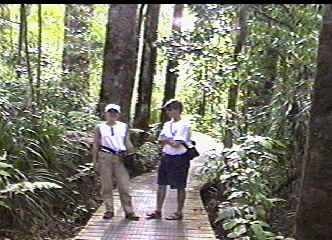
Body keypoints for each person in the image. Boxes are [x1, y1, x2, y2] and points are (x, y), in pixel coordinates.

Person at [146, 99, 193, 220]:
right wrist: (168, 140)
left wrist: (167, 140)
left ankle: (178, 212)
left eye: (170, 109)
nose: (168, 112)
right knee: (161, 184)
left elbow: (176, 143)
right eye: (167, 110)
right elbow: (160, 140)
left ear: (178, 110)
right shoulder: (167, 125)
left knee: (180, 186)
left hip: (180, 159)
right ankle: (158, 211)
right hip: (166, 157)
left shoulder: (185, 125)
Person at [92, 103, 139, 220]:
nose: (112, 115)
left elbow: (126, 141)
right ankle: (109, 210)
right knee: (106, 185)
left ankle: (129, 211)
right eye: (110, 112)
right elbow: (96, 145)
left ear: (118, 114)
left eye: (115, 112)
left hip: (120, 157)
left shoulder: (124, 126)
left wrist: (133, 154)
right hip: (105, 156)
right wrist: (95, 161)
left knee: (124, 186)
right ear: (106, 113)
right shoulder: (100, 127)